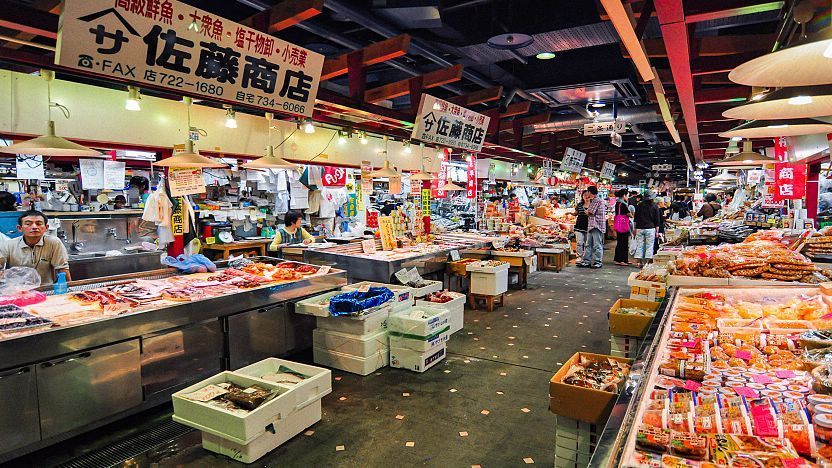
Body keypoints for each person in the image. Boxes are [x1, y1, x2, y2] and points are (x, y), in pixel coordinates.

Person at [0, 210, 70, 286]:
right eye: (28, 224)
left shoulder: (54, 242)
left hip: (45, 289)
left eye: (38, 223)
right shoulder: (9, 244)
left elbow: (62, 269)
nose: (34, 227)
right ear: (20, 228)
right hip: (18, 290)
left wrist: (70, 291)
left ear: (46, 228)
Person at [578, 186, 606, 269]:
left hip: (596, 225)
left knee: (597, 245)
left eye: (588, 193)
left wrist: (585, 209)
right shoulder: (597, 200)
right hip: (592, 225)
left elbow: (590, 212)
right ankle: (586, 261)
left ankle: (598, 262)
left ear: (590, 192)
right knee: (588, 244)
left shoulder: (596, 200)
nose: (587, 194)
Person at [633, 191, 661, 267]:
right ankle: (647, 263)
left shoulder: (639, 205)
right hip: (650, 228)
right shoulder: (655, 206)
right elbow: (657, 220)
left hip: (640, 228)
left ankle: (639, 262)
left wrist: (634, 229)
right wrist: (657, 231)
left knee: (639, 245)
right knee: (649, 245)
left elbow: (635, 218)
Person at [612, 189, 631, 266]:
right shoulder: (622, 204)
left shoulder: (617, 203)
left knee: (620, 242)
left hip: (619, 225)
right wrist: (632, 214)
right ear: (624, 195)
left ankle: (619, 259)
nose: (628, 197)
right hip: (623, 226)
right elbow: (628, 214)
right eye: (627, 195)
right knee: (623, 242)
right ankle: (622, 260)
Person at [574, 190, 590, 262]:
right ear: (582, 196)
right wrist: (569, 213)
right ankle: (579, 256)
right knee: (579, 242)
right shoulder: (579, 204)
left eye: (588, 195)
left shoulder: (593, 204)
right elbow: (576, 213)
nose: (586, 197)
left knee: (588, 243)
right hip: (579, 225)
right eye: (585, 195)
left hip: (589, 226)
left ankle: (586, 257)